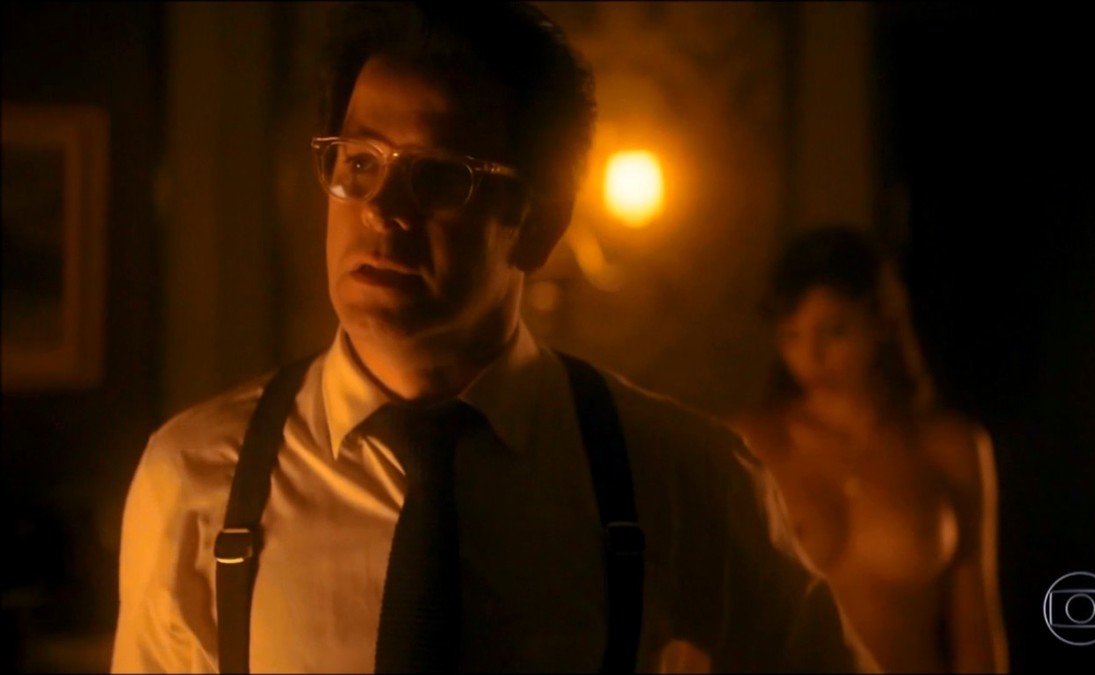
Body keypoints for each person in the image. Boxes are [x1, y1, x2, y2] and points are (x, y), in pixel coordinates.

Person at [110, 3, 870, 673]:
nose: (382, 207)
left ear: (540, 222)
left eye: (439, 175)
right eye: (360, 162)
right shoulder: (200, 478)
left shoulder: (676, 475)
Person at [727, 224, 1009, 673]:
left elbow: (975, 624)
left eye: (833, 331)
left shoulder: (949, 448)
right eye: (791, 336)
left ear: (882, 322)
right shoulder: (753, 446)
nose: (811, 355)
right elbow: (708, 608)